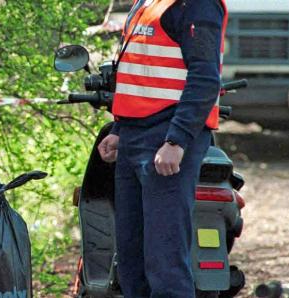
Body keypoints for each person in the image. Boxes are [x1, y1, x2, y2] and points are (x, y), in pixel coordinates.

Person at [97, 0, 228, 296]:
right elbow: (141, 73)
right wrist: (120, 130)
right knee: (132, 260)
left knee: (164, 261)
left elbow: (206, 78)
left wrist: (176, 141)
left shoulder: (197, 5)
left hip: (167, 136)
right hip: (134, 136)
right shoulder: (148, 3)